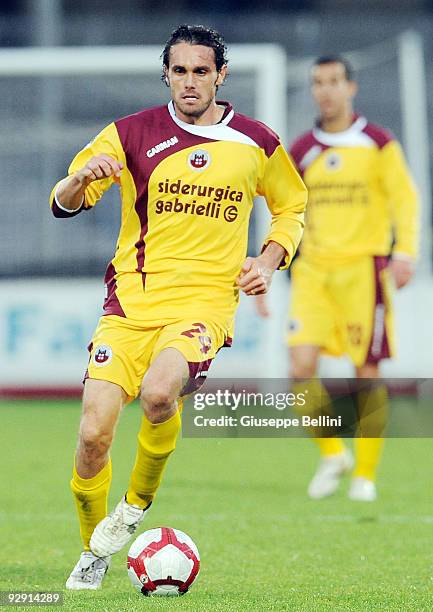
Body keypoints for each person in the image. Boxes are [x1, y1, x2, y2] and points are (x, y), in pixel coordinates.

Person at [49, 24, 307, 590]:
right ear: (166, 73)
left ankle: (136, 506)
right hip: (129, 305)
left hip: (205, 303)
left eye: (201, 70)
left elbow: (291, 208)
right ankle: (94, 551)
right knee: (93, 435)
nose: (190, 81)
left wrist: (268, 260)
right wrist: (77, 180)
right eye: (180, 70)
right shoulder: (127, 134)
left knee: (162, 393)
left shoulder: (257, 141)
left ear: (221, 74)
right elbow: (63, 202)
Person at [257, 55, 418, 502]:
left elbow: (404, 201)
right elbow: (282, 208)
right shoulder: (302, 149)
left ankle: (365, 474)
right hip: (311, 272)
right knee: (299, 369)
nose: (325, 90)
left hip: (363, 269)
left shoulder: (377, 142)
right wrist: (264, 266)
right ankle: (333, 454)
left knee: (366, 372)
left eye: (333, 82)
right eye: (317, 83)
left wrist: (404, 252)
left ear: (351, 88)